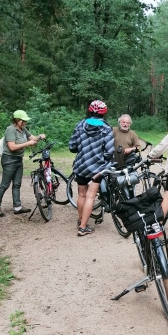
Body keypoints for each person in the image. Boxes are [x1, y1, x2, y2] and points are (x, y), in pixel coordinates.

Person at [69, 100, 115, 237]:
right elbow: (109, 152)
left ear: (90, 110)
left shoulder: (80, 125)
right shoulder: (106, 129)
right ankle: (83, 227)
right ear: (104, 113)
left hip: (81, 165)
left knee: (81, 195)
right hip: (97, 168)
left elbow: (72, 146)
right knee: (90, 196)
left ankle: (80, 220)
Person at [0, 110, 45, 217]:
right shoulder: (10, 130)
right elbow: (12, 147)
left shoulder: (23, 130)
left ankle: (17, 207)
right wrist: (28, 144)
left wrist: (39, 137)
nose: (25, 123)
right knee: (5, 184)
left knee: (17, 184)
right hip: (9, 159)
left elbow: (32, 138)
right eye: (24, 121)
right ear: (17, 120)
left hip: (18, 159)